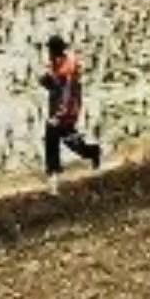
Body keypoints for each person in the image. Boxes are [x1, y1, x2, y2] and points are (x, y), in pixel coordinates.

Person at [39, 35, 100, 189]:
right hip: (63, 110)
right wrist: (48, 82)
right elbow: (56, 88)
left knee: (57, 136)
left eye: (50, 51)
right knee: (67, 139)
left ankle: (54, 170)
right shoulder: (58, 64)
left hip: (66, 112)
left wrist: (58, 116)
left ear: (54, 52)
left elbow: (67, 96)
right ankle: (91, 152)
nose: (48, 54)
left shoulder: (67, 70)